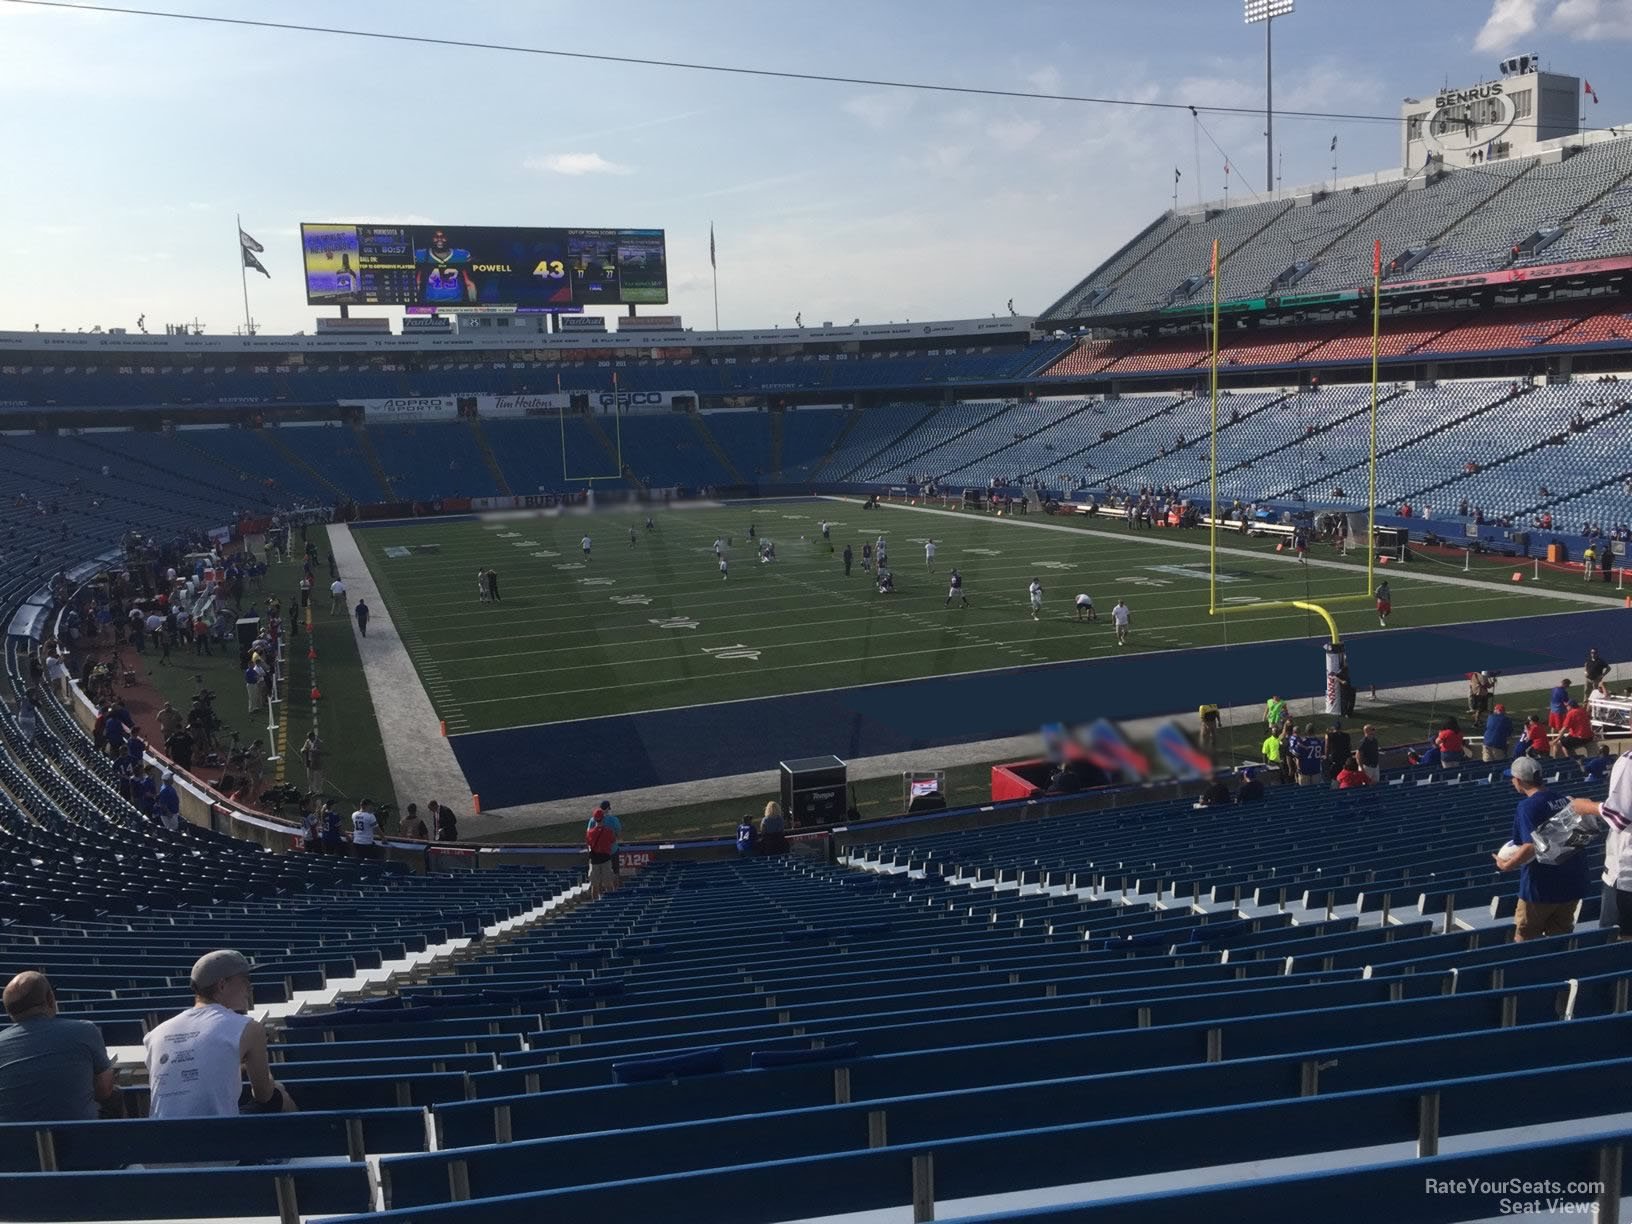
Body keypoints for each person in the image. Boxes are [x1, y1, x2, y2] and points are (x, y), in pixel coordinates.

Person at [144, 950, 296, 1118]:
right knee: (278, 1093)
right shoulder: (248, 1028)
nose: (249, 989)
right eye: (245, 981)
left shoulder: (156, 1034)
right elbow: (263, 1095)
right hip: (217, 1136)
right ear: (222, 985)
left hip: (161, 1137)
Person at [0, 971, 117, 1122]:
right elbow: (104, 1091)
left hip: (14, 1144)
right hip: (82, 1141)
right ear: (50, 999)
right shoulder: (85, 1031)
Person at [1495, 757, 1590, 941]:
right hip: (1572, 880)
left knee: (1526, 938)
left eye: (1512, 778)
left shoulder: (1527, 806)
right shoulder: (1563, 799)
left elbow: (1530, 846)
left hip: (1541, 886)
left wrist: (1507, 865)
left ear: (1520, 780)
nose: (1511, 781)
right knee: (1560, 940)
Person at [1565, 748, 1632, 937]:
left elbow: (1620, 817)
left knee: (1616, 943)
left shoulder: (1629, 761)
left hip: (1626, 875)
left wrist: (1585, 806)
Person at [587, 800, 622, 888]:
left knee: (597, 879)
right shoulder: (614, 819)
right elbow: (618, 833)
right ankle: (615, 891)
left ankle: (600, 894)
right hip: (611, 851)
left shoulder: (592, 820)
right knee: (615, 873)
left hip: (597, 854)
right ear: (608, 809)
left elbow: (588, 836)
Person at [585, 808, 616, 899]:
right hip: (605, 859)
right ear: (603, 818)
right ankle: (611, 901)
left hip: (594, 860)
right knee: (609, 883)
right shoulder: (609, 831)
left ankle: (595, 903)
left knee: (595, 885)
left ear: (594, 819)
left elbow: (588, 844)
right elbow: (612, 841)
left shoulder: (590, 833)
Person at [300, 730, 324, 796]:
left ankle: (319, 791)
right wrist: (303, 750)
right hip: (309, 761)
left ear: (313, 736)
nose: (309, 739)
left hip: (317, 762)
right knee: (310, 777)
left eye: (310, 738)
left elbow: (319, 751)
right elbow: (303, 748)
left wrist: (310, 750)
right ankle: (311, 790)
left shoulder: (319, 742)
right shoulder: (308, 741)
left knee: (318, 777)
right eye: (308, 738)